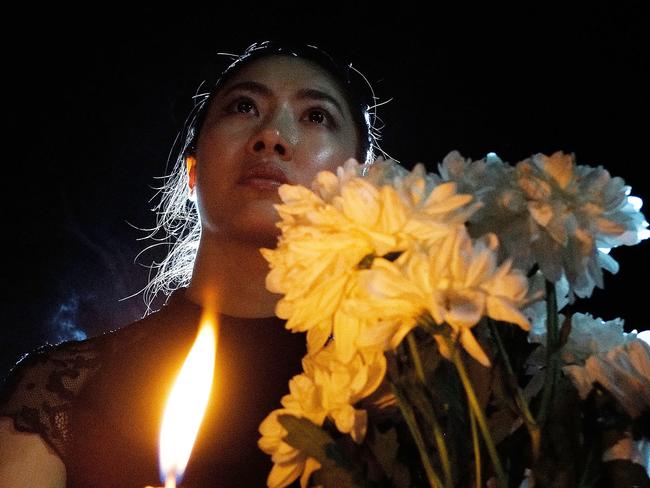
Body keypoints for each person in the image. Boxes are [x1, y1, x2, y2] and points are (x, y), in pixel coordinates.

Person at [0, 40, 381, 487]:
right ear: (192, 171)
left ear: (362, 181)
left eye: (316, 116)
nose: (272, 136)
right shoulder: (62, 391)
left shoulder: (415, 388)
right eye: (244, 106)